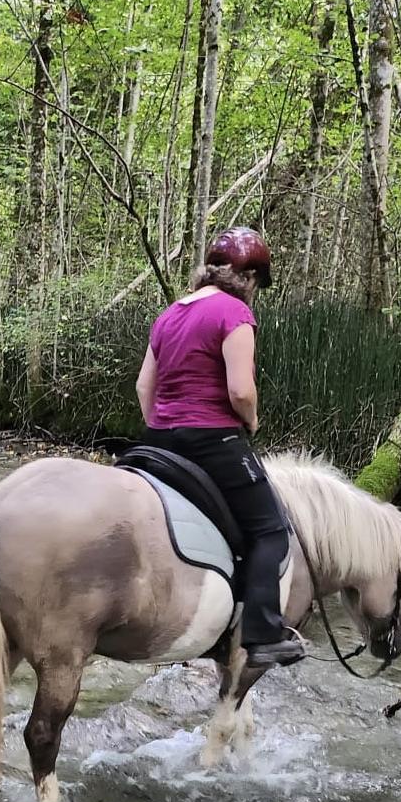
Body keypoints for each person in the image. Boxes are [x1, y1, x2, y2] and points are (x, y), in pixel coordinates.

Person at [135, 227, 306, 669]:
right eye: (256, 283)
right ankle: (263, 633)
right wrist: (250, 421)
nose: (254, 292)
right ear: (248, 276)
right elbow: (240, 392)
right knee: (271, 530)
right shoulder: (234, 313)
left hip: (160, 442)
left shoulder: (169, 314)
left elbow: (143, 387)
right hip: (213, 439)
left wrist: (162, 429)